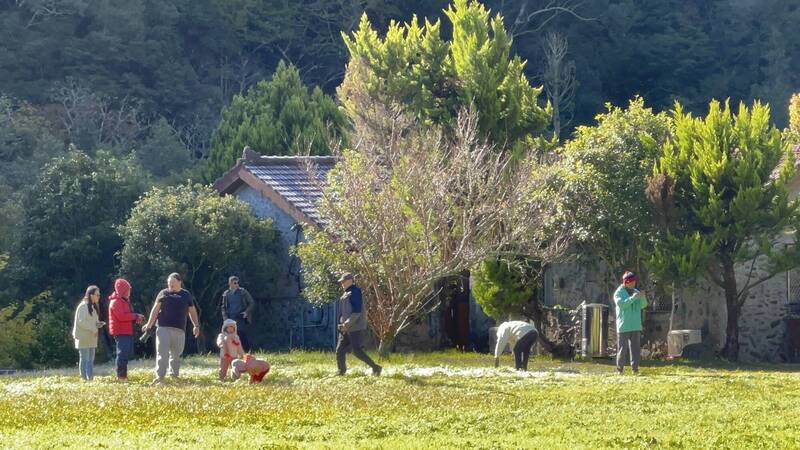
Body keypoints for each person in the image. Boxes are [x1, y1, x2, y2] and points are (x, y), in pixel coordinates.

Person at [142, 272, 200, 384]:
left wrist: (196, 325)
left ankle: (174, 375)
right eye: (169, 283)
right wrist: (149, 324)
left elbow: (192, 311)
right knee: (162, 353)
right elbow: (155, 310)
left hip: (179, 330)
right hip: (163, 328)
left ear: (179, 282)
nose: (170, 285)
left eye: (173, 282)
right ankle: (160, 377)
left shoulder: (186, 295)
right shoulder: (163, 293)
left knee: (176, 354)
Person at [335, 273, 382, 376]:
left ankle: (376, 368)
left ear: (351, 280)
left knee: (357, 351)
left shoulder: (355, 292)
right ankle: (341, 371)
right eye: (341, 281)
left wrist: (346, 324)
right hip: (345, 327)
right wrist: (342, 324)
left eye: (344, 281)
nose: (342, 283)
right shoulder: (346, 292)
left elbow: (357, 312)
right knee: (340, 350)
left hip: (354, 327)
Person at [108, 278, 145, 381]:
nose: (129, 292)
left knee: (125, 354)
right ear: (122, 291)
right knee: (122, 354)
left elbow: (127, 316)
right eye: (127, 290)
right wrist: (135, 316)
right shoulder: (116, 302)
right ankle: (121, 376)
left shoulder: (123, 301)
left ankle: (123, 375)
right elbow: (122, 317)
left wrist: (136, 317)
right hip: (121, 332)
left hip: (126, 330)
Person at [614, 271, 648, 375]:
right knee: (622, 349)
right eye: (631, 282)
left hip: (635, 325)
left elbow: (643, 305)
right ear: (625, 282)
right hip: (624, 326)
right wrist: (634, 297)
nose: (633, 284)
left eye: (634, 281)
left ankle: (635, 369)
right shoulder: (618, 293)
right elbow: (622, 305)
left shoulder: (636, 291)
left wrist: (642, 297)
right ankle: (620, 369)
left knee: (635, 349)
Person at [72, 285, 105, 381]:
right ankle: (84, 378)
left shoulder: (92, 307)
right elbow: (81, 322)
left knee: (90, 360)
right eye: (97, 295)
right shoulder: (83, 306)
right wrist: (94, 329)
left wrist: (98, 324)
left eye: (99, 295)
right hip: (83, 338)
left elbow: (92, 322)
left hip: (91, 338)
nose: (99, 296)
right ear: (91, 295)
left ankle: (90, 378)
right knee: (84, 359)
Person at [220, 276, 255, 351]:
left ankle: (247, 352)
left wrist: (246, 312)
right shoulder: (226, 294)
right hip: (230, 318)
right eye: (235, 283)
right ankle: (234, 353)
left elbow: (251, 303)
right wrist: (225, 319)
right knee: (231, 336)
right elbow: (223, 307)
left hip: (241, 317)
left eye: (237, 283)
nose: (237, 284)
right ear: (230, 284)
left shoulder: (243, 292)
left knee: (242, 335)